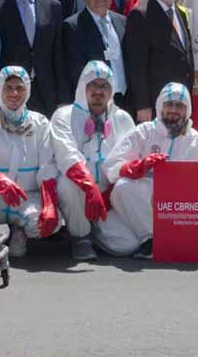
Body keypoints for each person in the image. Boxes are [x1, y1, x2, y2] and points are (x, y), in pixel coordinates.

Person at [0, 67, 65, 260]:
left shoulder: (40, 123)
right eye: (8, 88)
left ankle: (20, 230)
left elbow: (48, 165)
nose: (14, 94)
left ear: (28, 90)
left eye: (19, 88)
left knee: (47, 223)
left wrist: (49, 204)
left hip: (26, 196)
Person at [51, 61, 139, 258]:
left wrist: (107, 196)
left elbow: (128, 158)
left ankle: (95, 229)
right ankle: (80, 235)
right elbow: (67, 156)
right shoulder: (64, 116)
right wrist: (90, 189)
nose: (99, 91)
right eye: (93, 85)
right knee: (67, 183)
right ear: (83, 86)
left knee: (127, 245)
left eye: (104, 86)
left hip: (107, 195)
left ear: (112, 90)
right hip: (79, 191)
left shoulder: (122, 118)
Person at [107, 83, 198, 257]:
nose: (174, 110)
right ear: (160, 106)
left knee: (126, 245)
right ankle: (150, 239)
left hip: (175, 202)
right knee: (122, 188)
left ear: (187, 110)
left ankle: (161, 239)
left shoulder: (194, 138)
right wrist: (133, 167)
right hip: (141, 200)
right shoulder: (144, 131)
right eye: (169, 105)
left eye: (180, 106)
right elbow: (112, 166)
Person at [0, 0, 66, 115]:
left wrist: (63, 97)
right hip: (11, 92)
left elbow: (58, 53)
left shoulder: (53, 6)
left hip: (46, 92)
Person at [124, 0, 193, 121]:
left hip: (178, 102)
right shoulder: (140, 14)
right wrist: (143, 105)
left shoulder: (180, 14)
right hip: (154, 105)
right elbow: (136, 65)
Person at [61, 0, 130, 109]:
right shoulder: (73, 25)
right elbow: (74, 69)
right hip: (94, 101)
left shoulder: (122, 22)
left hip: (124, 99)